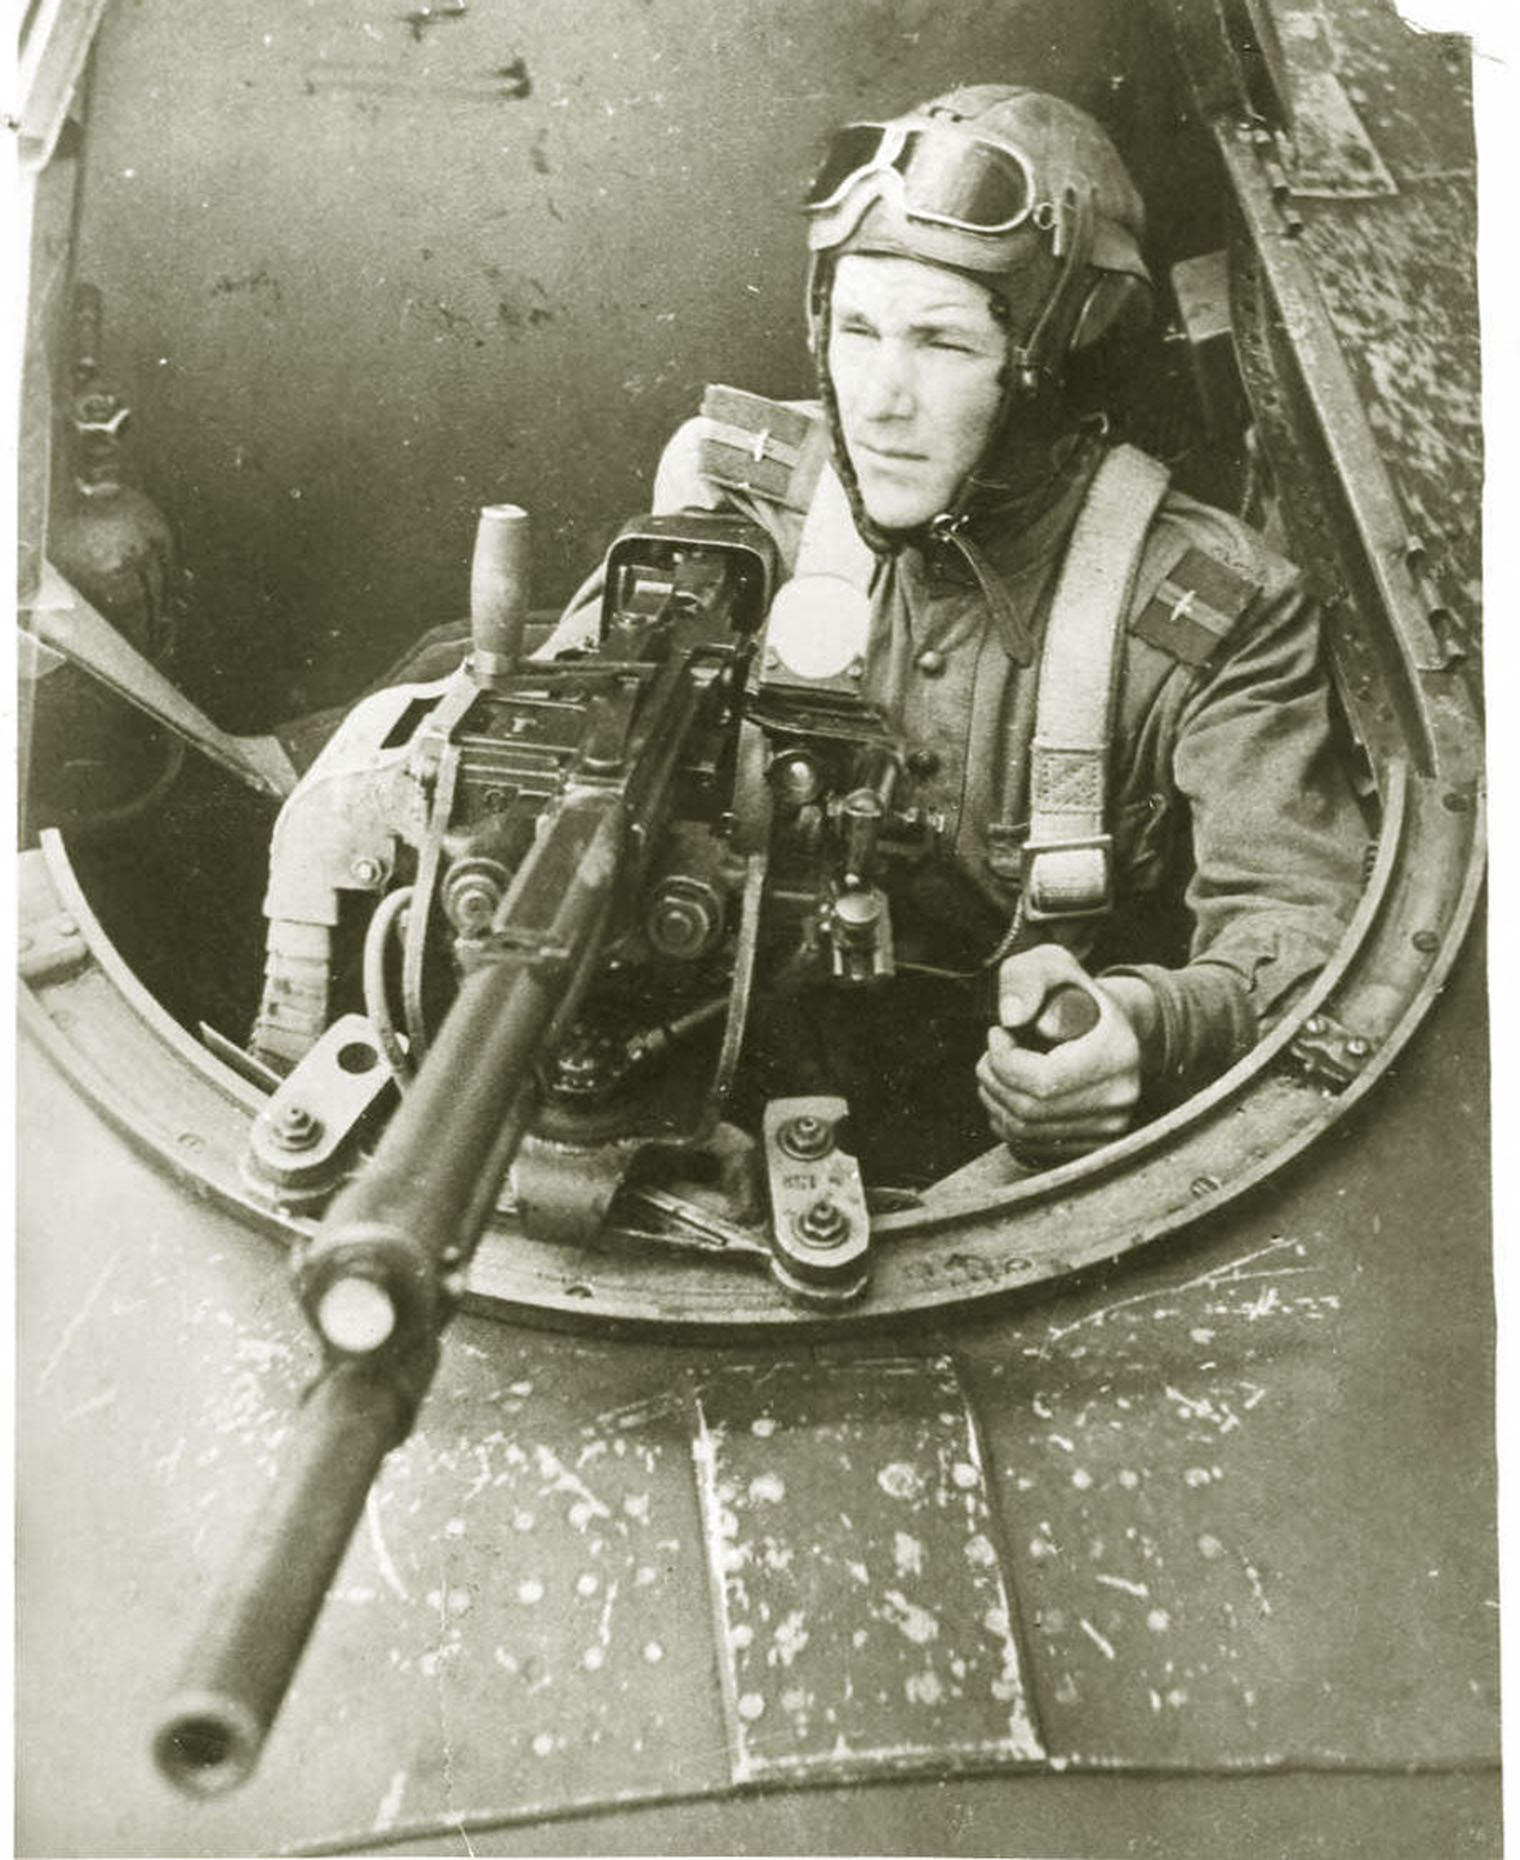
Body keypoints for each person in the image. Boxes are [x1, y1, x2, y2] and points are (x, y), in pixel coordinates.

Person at [540, 84, 1367, 1180]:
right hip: (698, 1098)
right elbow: (539, 761)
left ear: (1049, 363)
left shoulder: (1209, 608)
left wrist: (1143, 1026)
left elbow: (1304, 930)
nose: (880, 399)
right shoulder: (740, 510)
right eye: (856, 330)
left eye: (939, 342)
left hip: (1008, 1165)